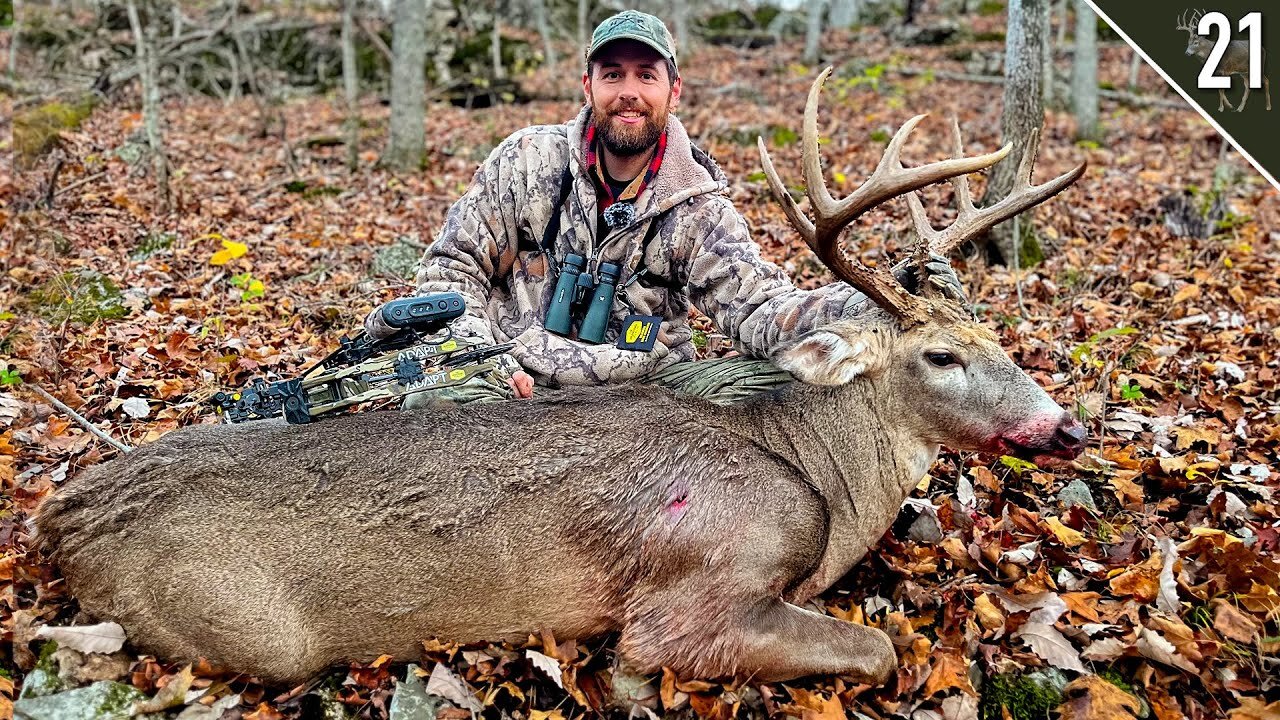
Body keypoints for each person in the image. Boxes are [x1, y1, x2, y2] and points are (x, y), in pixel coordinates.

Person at [364, 9, 963, 407]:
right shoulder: (525, 162)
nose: (630, 91)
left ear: (673, 91)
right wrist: (482, 359)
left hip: (632, 410)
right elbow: (450, 273)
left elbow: (763, 309)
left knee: (766, 408)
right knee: (432, 398)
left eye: (646, 75)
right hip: (508, 385)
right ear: (588, 85)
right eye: (613, 74)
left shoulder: (698, 211)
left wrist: (879, 293)